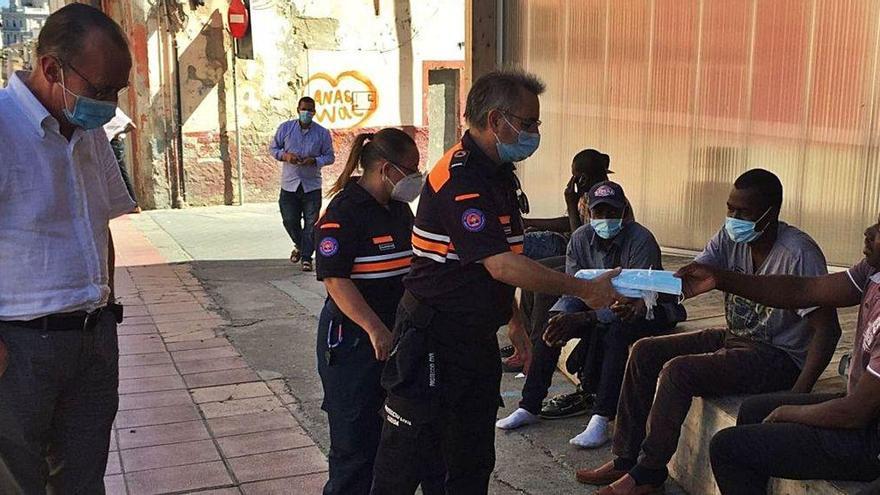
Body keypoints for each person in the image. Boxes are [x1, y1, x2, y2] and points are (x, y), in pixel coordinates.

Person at [369, 68, 625, 495]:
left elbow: (493, 259)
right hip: (431, 336)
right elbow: (500, 265)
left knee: (470, 459)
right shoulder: (461, 177)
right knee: (406, 458)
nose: (534, 132)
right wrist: (585, 289)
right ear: (496, 120)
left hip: (472, 338)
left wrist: (514, 321)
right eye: (528, 123)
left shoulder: (497, 172)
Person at [576, 169, 842, 495]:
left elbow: (827, 330)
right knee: (645, 350)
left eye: (743, 212)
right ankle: (625, 459)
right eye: (730, 208)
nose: (733, 218)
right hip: (735, 337)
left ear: (770, 213)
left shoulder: (798, 254)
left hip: (778, 356)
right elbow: (687, 277)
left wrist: (799, 393)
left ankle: (648, 472)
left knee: (679, 371)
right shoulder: (729, 237)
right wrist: (638, 297)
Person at [0, 4, 135, 493]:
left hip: (93, 339)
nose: (110, 104)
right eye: (101, 90)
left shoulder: (91, 134)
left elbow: (101, 227)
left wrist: (108, 304)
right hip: (18, 347)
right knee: (19, 482)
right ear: (52, 68)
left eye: (117, 91)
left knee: (83, 480)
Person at [674, 214, 880, 494]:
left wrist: (792, 411)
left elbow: (855, 414)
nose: (869, 232)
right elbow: (804, 289)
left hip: (870, 437)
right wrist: (720, 278)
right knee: (753, 410)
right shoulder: (872, 271)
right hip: (862, 410)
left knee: (727, 448)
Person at [496, 181, 686, 449]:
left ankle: (600, 417)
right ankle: (529, 405)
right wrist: (563, 317)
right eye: (600, 213)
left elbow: (640, 299)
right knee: (553, 325)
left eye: (612, 212)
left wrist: (589, 318)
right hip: (598, 306)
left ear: (624, 212)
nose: (605, 219)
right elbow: (575, 289)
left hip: (648, 309)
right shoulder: (581, 238)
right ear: (590, 213)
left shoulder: (641, 240)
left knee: (617, 331)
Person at [315, 128, 423, 495]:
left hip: (397, 340)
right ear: (385, 168)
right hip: (354, 346)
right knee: (354, 449)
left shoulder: (397, 209)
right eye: (410, 169)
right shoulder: (344, 211)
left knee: (394, 444)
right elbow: (334, 279)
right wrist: (374, 328)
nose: (415, 177)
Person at [270, 96, 335, 272]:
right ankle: (300, 245)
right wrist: (286, 156)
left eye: (309, 110)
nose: (306, 113)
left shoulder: (322, 133)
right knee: (289, 220)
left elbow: (330, 157)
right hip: (289, 185)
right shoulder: (286, 129)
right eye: (303, 109)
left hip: (311, 185)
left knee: (311, 222)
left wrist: (314, 160)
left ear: (314, 112)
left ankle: (306, 257)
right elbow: (273, 148)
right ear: (298, 110)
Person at [521, 149, 613, 260]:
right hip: (571, 245)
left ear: (583, 179)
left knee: (527, 255)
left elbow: (581, 246)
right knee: (528, 238)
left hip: (587, 257)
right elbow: (571, 222)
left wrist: (571, 204)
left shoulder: (603, 201)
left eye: (574, 176)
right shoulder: (588, 195)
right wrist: (532, 224)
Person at [104, 107, 139, 211]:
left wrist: (115, 134)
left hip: (114, 144)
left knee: (121, 172)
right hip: (109, 143)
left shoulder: (114, 110)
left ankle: (134, 204)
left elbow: (132, 125)